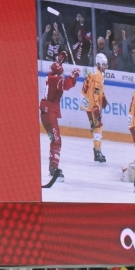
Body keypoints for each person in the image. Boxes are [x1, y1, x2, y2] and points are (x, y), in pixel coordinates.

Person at [41, 55, 79, 186]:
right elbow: (67, 85)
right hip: (49, 113)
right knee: (57, 141)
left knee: (54, 140)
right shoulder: (56, 79)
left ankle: (53, 166)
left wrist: (61, 58)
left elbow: (56, 66)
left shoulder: (50, 75)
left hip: (45, 112)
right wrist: (74, 75)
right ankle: (54, 168)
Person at [83, 53, 108, 164]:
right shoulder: (98, 75)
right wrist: (97, 106)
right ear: (99, 63)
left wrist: (103, 97)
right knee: (98, 127)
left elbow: (94, 90)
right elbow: (95, 92)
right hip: (93, 105)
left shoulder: (92, 71)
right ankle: (97, 151)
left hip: (88, 104)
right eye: (103, 64)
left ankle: (97, 150)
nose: (105, 67)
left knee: (95, 126)